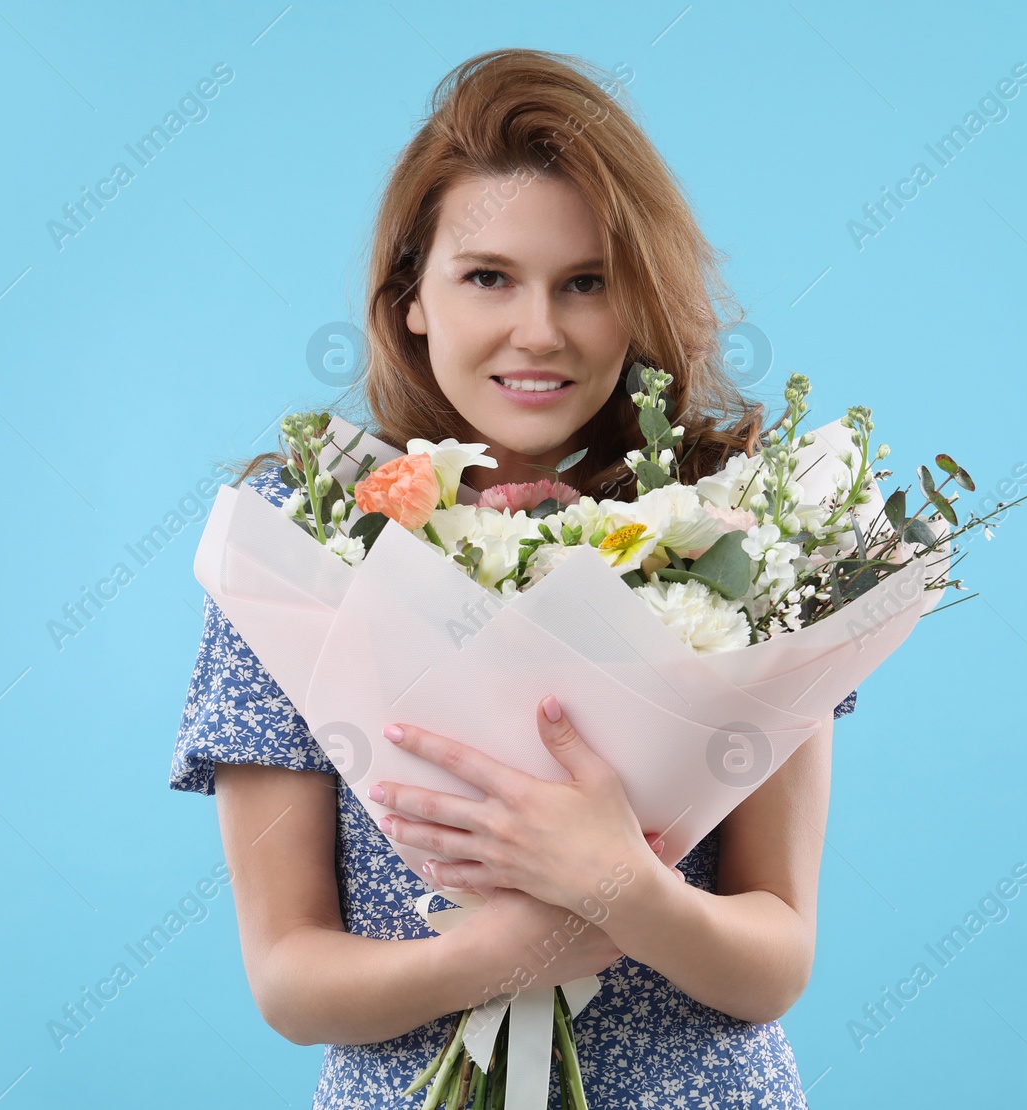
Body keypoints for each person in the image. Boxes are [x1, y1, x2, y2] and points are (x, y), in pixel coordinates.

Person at [170, 47, 857, 1108]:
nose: (538, 331)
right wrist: (507, 952)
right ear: (410, 298)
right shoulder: (301, 541)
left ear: (636, 303)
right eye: (488, 276)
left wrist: (626, 889)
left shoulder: (741, 537)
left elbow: (774, 959)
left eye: (587, 283)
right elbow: (290, 975)